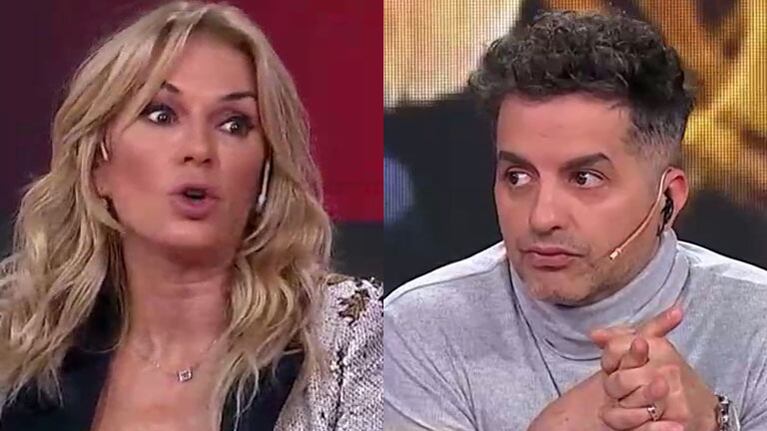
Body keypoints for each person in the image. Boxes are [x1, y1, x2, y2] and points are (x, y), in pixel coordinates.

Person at [0, 2, 382, 430]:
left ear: (265, 171)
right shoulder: (17, 345)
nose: (199, 149)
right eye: (161, 115)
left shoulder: (345, 334)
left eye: (234, 124)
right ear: (97, 165)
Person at [384, 10, 767, 431]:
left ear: (668, 199)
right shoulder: (421, 327)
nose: (541, 217)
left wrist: (717, 423)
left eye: (584, 178)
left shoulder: (757, 321)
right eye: (518, 177)